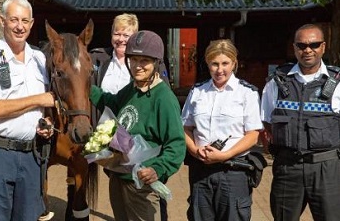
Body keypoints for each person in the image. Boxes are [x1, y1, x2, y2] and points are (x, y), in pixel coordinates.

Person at [0, 0, 55, 221]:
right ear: (2, 21)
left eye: (25, 21)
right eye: (14, 20)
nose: (20, 26)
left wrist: (48, 123)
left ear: (31, 23)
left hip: (32, 155)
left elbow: (47, 108)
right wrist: (38, 100)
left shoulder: (39, 59)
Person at [90, 30, 185, 221]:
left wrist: (158, 168)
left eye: (144, 61)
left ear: (156, 62)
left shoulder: (164, 98)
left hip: (143, 183)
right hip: (119, 177)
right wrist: (84, 84)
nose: (138, 66)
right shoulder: (132, 89)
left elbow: (176, 145)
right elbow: (111, 102)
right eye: (133, 60)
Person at [261, 24, 340, 221]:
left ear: (323, 46)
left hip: (326, 169)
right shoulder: (276, 82)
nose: (307, 50)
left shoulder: (337, 83)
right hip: (288, 167)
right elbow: (266, 123)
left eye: (313, 44)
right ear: (294, 48)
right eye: (301, 45)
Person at [181, 39, 262, 221]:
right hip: (201, 171)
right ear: (208, 64)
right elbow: (185, 128)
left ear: (234, 63)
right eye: (214, 64)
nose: (220, 70)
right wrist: (195, 151)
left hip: (233, 172)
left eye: (225, 63)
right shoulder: (197, 92)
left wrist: (225, 155)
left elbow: (253, 135)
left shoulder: (246, 93)